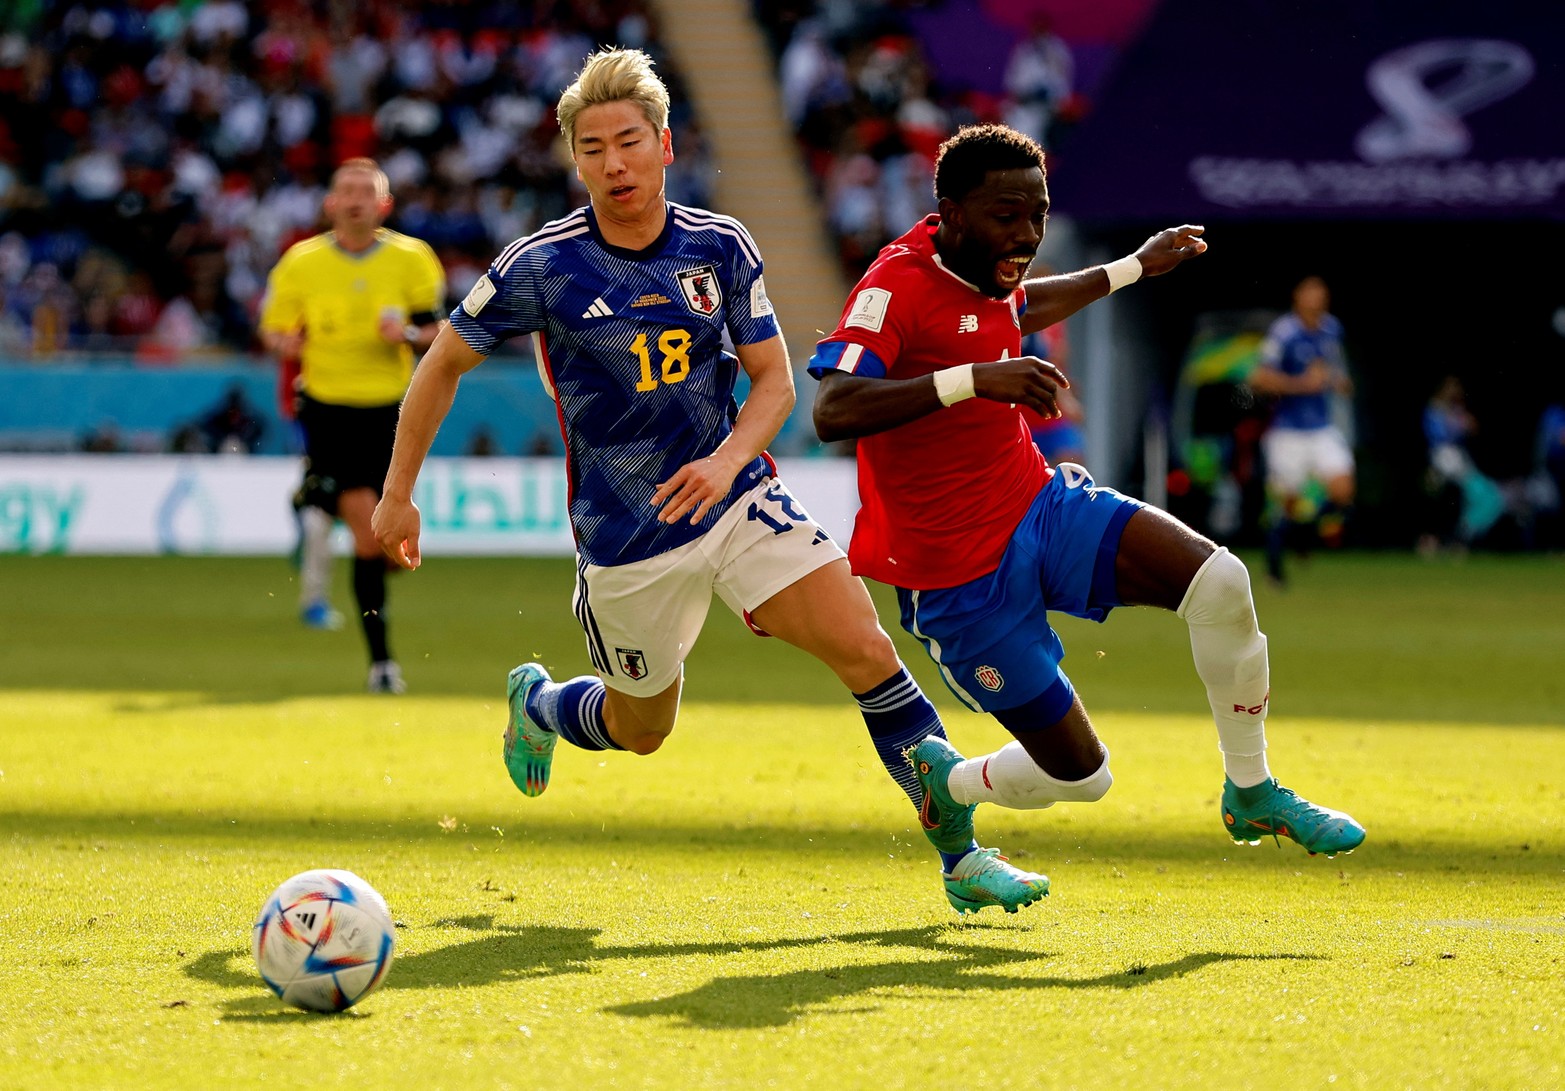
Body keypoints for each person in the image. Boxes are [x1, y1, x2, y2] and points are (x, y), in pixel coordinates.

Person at [370, 48, 1048, 915]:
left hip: (737, 499)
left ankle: (961, 857)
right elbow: (440, 365)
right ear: (574, 160)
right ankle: (541, 704)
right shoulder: (541, 265)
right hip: (627, 534)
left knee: (867, 649)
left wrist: (727, 461)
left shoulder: (718, 245)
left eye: (628, 142)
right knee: (641, 729)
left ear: (663, 145)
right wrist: (398, 493)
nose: (613, 163)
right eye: (591, 148)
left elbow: (773, 382)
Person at [809, 124, 1365, 884]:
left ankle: (1252, 790)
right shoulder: (893, 285)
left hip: (1037, 505)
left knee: (1221, 582)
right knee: (1082, 777)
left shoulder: (989, 273)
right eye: (1007, 215)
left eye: (1038, 214)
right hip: (953, 575)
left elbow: (1018, 306)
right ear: (952, 213)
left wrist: (1134, 266)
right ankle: (951, 786)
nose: (1027, 234)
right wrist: (975, 380)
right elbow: (834, 408)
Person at [259, 157, 446, 693]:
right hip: (328, 409)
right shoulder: (302, 262)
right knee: (368, 534)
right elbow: (273, 330)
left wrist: (405, 335)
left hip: (390, 413)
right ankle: (382, 663)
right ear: (331, 204)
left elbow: (438, 331)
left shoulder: (412, 258)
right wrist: (285, 343)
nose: (357, 199)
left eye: (368, 191)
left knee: (382, 543)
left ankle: (313, 499)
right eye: (347, 190)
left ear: (384, 205)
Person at [1247, 276, 1356, 586]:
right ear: (1298, 297)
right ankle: (1274, 567)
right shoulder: (1284, 333)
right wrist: (1301, 384)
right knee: (1286, 503)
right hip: (1287, 431)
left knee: (1343, 491)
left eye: (1322, 295)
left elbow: (1330, 369)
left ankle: (1303, 533)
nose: (1317, 300)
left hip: (1321, 426)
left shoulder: (1331, 329)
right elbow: (1259, 378)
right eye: (1312, 294)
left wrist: (1337, 381)